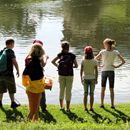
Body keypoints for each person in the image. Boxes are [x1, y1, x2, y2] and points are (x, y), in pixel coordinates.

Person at [95, 38, 125, 109]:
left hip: (104, 71)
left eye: (104, 44)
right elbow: (123, 61)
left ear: (107, 44)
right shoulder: (115, 52)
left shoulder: (102, 52)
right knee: (111, 89)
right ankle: (112, 105)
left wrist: (99, 65)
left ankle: (102, 104)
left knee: (103, 88)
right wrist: (116, 66)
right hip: (111, 71)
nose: (103, 45)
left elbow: (95, 59)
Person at [23, 43, 47, 121]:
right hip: (37, 90)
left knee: (34, 109)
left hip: (30, 88)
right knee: (34, 111)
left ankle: (34, 124)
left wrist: (26, 84)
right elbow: (40, 77)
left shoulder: (30, 63)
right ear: (41, 52)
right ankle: (27, 125)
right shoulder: (38, 64)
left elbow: (24, 74)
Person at [51, 41, 78, 112]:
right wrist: (72, 66)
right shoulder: (72, 55)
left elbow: (52, 61)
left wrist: (58, 66)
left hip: (61, 74)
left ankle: (61, 107)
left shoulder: (60, 54)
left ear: (62, 47)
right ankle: (68, 108)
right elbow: (76, 65)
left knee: (61, 90)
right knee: (68, 91)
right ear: (68, 47)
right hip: (70, 75)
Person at [0, 38, 20, 109]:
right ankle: (13, 103)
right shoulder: (10, 51)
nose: (13, 45)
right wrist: (18, 70)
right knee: (11, 89)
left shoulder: (2, 51)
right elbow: (14, 61)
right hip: (8, 74)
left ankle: (0, 102)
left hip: (1, 74)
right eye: (13, 44)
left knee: (1, 89)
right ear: (11, 44)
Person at [80, 46, 98, 111]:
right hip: (92, 78)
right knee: (92, 94)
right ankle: (91, 107)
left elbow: (81, 71)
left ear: (85, 52)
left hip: (85, 78)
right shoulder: (94, 61)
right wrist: (96, 79)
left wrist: (81, 78)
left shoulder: (83, 60)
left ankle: (85, 108)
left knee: (85, 93)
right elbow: (96, 71)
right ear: (92, 52)